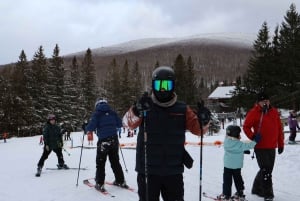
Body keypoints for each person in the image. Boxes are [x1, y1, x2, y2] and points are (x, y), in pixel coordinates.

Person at [122, 66, 210, 201]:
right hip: (148, 170)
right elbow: (128, 123)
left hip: (173, 170)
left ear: (173, 86)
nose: (163, 89)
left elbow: (198, 130)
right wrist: (136, 110)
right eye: (159, 85)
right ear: (153, 85)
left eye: (167, 85)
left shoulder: (182, 109)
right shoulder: (145, 106)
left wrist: (204, 121)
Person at [243, 92, 284, 201]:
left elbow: (279, 129)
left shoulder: (274, 112)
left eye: (267, 100)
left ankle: (256, 188)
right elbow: (246, 127)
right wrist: (253, 136)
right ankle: (268, 194)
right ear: (258, 102)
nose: (265, 102)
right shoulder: (254, 112)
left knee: (267, 170)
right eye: (263, 101)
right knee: (265, 170)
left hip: (272, 146)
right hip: (260, 146)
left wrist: (281, 144)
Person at [85, 98, 128, 192]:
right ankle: (120, 180)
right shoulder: (112, 112)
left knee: (100, 162)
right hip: (114, 140)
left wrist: (86, 127)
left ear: (97, 105)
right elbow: (120, 124)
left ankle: (100, 183)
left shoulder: (97, 114)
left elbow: (91, 127)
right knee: (115, 161)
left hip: (103, 141)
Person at [218, 125, 260, 201]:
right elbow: (249, 145)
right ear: (236, 134)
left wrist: (242, 150)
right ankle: (240, 193)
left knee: (227, 180)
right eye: (239, 134)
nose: (240, 135)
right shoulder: (240, 144)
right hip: (237, 166)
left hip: (227, 165)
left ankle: (226, 194)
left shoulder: (226, 142)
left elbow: (233, 147)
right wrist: (255, 141)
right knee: (238, 179)